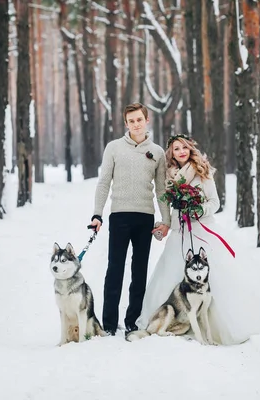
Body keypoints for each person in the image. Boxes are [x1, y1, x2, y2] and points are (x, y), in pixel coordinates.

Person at [137, 134, 260, 345]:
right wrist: (168, 221)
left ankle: (214, 325)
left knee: (216, 277)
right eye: (176, 148)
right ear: (170, 153)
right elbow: (167, 204)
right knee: (171, 275)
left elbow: (215, 202)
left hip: (202, 229)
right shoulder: (169, 176)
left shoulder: (202, 172)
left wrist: (199, 209)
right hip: (180, 233)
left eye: (184, 147)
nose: (181, 151)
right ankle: (172, 321)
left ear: (190, 149)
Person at [90, 103, 171, 336]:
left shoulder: (156, 152)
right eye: (131, 121)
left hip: (145, 218)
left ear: (147, 121)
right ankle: (108, 322)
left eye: (139, 119)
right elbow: (104, 182)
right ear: (126, 124)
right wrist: (97, 214)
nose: (135, 124)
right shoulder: (114, 148)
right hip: (119, 217)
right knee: (114, 269)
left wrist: (165, 220)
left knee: (139, 271)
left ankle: (133, 320)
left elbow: (161, 190)